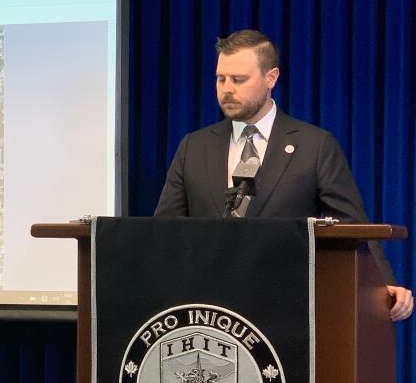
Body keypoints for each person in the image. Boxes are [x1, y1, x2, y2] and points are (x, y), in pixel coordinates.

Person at [154, 29, 413, 321]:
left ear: (271, 78)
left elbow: (354, 227)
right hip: (209, 311)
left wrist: (382, 286)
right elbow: (164, 232)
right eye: (220, 78)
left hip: (286, 310)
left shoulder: (314, 145)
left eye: (238, 80)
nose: (226, 89)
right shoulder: (194, 146)